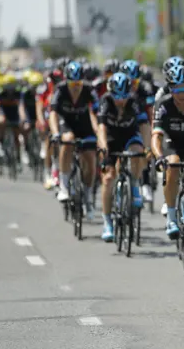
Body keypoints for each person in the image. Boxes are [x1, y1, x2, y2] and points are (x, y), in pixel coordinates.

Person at [151, 64, 184, 238]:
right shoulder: (163, 104)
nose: (181, 93)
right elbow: (156, 136)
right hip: (172, 142)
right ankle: (172, 218)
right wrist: (159, 156)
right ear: (170, 88)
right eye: (176, 89)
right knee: (172, 164)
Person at [96, 72, 150, 242]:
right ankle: (107, 223)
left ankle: (134, 185)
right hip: (111, 138)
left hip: (129, 135)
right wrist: (103, 147)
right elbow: (102, 127)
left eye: (124, 96)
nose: (120, 100)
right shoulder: (105, 101)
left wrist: (147, 148)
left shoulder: (134, 102)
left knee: (137, 151)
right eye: (117, 96)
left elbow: (144, 125)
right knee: (108, 178)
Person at [48, 61, 99, 219]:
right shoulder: (60, 90)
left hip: (85, 126)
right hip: (67, 124)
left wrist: (100, 134)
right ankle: (64, 185)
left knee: (90, 160)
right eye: (72, 83)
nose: (75, 87)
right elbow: (53, 114)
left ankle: (88, 196)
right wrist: (56, 132)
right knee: (67, 140)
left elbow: (97, 113)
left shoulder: (89, 90)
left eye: (78, 83)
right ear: (66, 81)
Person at [119, 59, 155, 204]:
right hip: (121, 125)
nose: (133, 86)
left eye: (135, 82)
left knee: (144, 151)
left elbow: (151, 112)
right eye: (130, 82)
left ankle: (145, 182)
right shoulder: (117, 88)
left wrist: (154, 132)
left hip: (141, 121)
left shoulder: (145, 88)